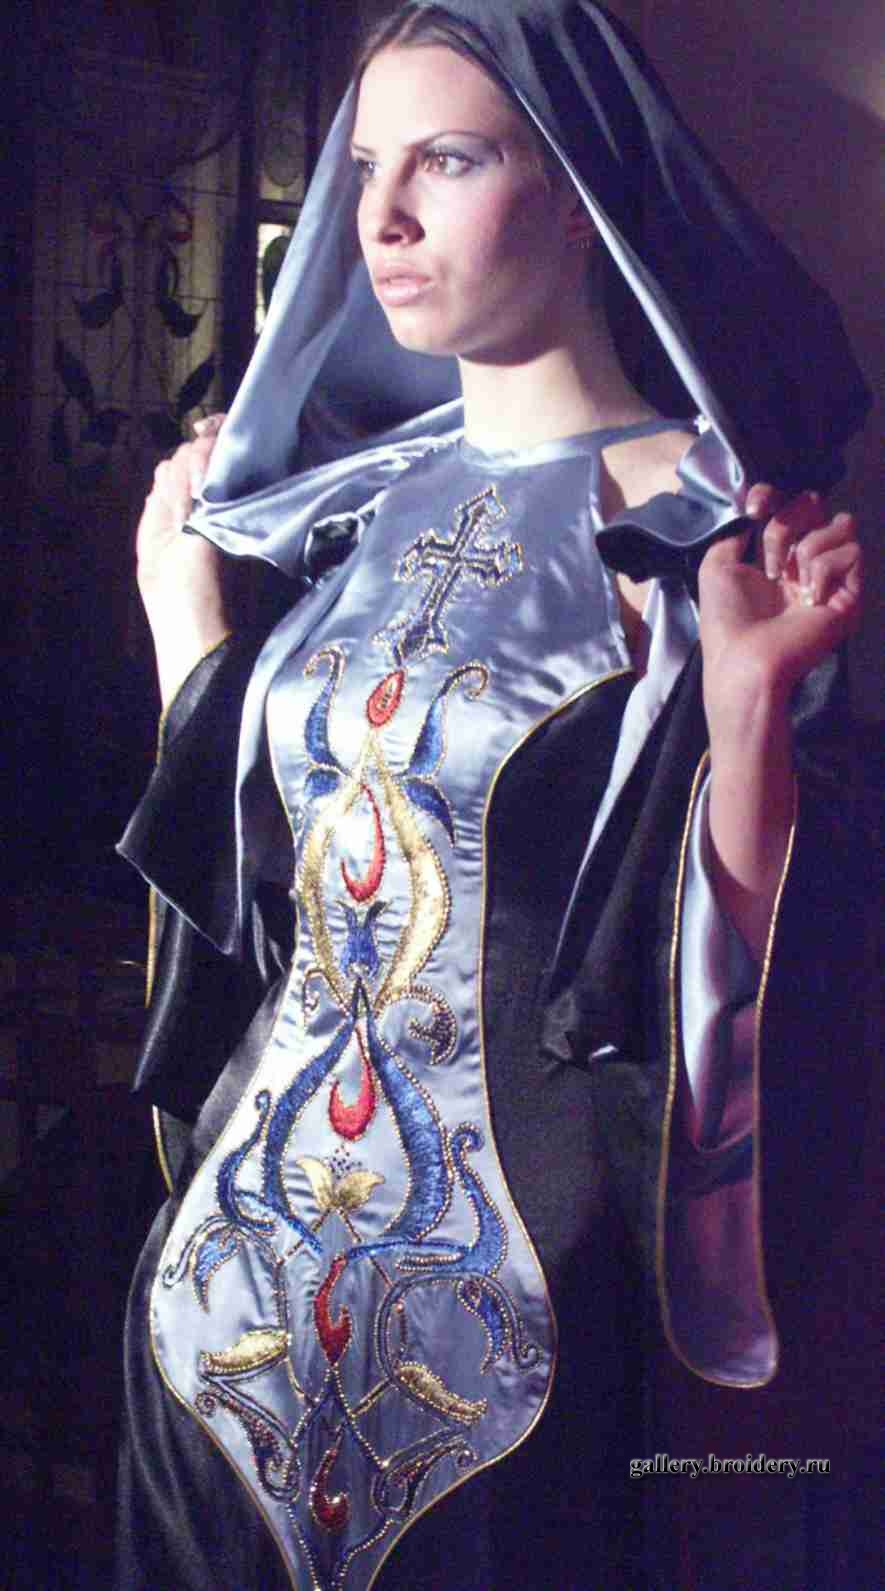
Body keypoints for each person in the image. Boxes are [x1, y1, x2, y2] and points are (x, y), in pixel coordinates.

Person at [116, 4, 872, 1587]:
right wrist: (189, 629)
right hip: (225, 1304)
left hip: (512, 1316)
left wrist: (747, 712)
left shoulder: (710, 529)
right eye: (365, 169)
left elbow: (733, 983)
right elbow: (262, 912)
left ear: (579, 188)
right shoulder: (336, 516)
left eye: (447, 162)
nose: (382, 219)